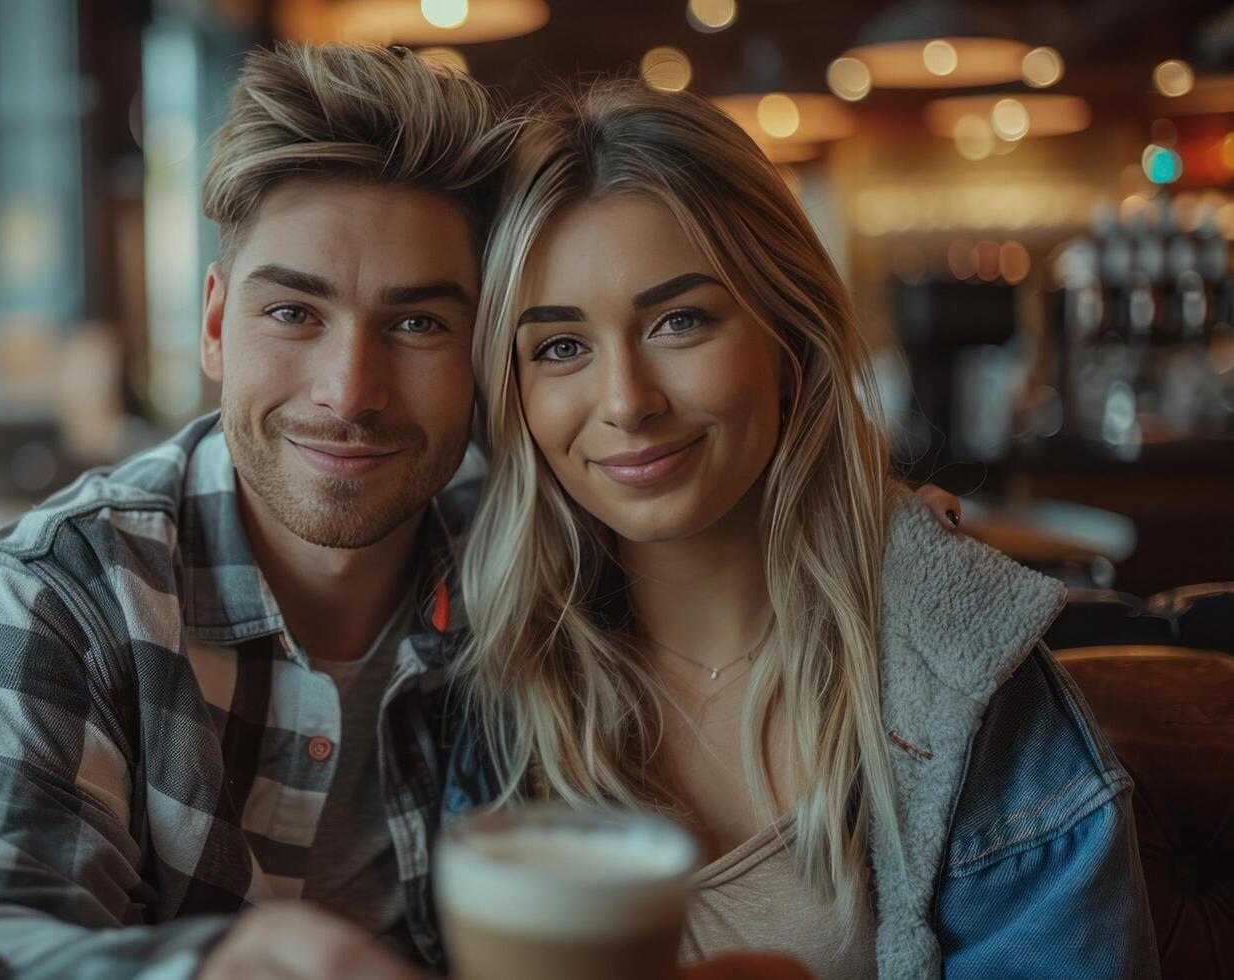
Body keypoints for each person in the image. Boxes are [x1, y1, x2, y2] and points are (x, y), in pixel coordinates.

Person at [0, 44, 963, 979]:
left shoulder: (538, 558)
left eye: (420, 325)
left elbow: (733, 503)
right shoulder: (67, 587)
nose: (348, 391)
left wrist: (889, 532)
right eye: (296, 312)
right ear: (218, 326)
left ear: (486, 359)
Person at [450, 80, 1161, 979]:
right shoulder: (490, 673)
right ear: (511, 395)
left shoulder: (954, 674)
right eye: (559, 347)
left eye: (679, 321)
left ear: (786, 339)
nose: (626, 401)